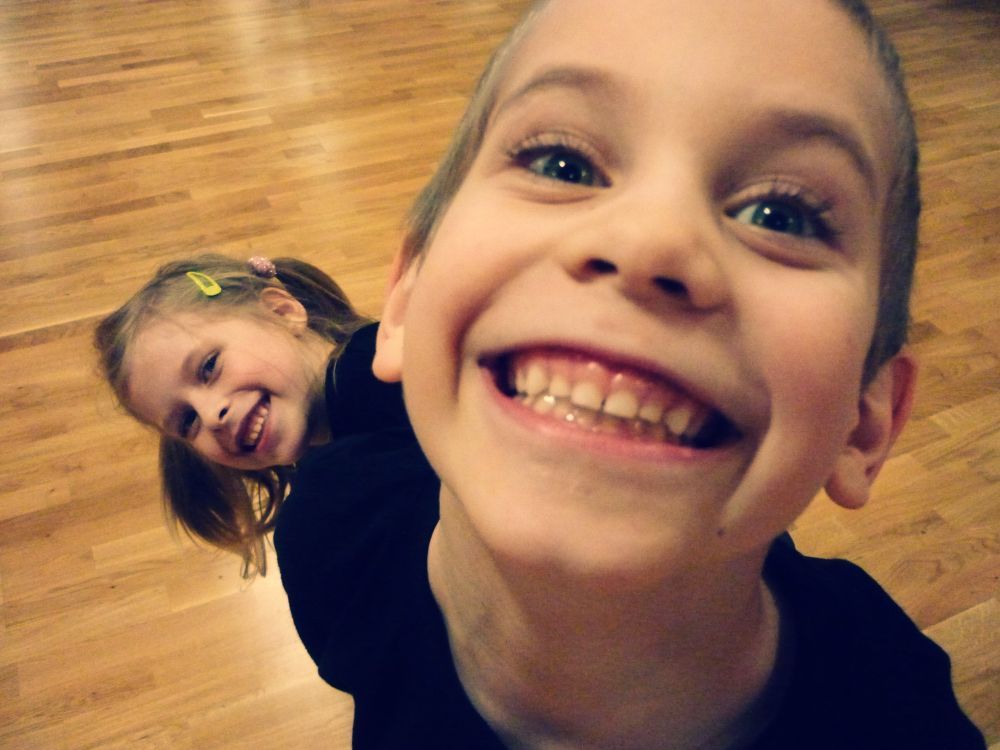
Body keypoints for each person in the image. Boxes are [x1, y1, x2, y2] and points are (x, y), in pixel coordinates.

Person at [272, 0, 986, 748]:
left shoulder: (899, 717)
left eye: (782, 216)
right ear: (405, 300)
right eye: (562, 164)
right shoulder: (331, 530)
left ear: (866, 421)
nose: (650, 240)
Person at [94, 254, 405, 578]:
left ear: (281, 312)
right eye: (188, 420)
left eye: (209, 367)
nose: (211, 416)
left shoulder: (395, 382)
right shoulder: (322, 490)